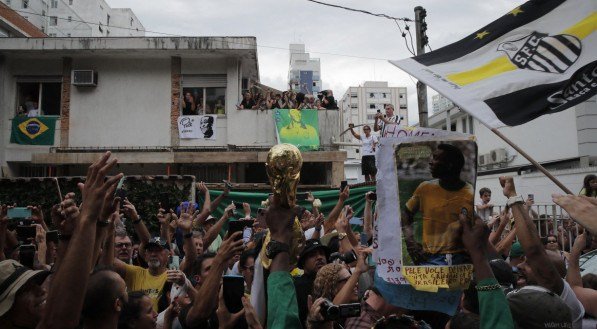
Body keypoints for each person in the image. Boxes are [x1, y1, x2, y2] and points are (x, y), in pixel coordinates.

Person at [500, 176, 584, 328]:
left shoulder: (565, 300)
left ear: (553, 274)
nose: (519, 266)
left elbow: (534, 251)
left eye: (529, 264)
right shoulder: (525, 292)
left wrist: (513, 196)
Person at [401, 143, 474, 265]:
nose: (430, 162)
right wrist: (411, 245)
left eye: (436, 158)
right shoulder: (425, 188)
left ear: (449, 165)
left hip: (460, 260)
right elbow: (405, 215)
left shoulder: (470, 193)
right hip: (429, 259)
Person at [113, 236, 170, 312]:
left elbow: (190, 259)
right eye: (150, 251)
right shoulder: (134, 273)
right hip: (134, 322)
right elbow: (110, 261)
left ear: (168, 255)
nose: (153, 254)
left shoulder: (173, 276)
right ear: (145, 255)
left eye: (158, 251)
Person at [294, 238, 330, 327]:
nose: (319, 257)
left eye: (322, 253)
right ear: (303, 262)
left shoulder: (332, 281)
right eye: (312, 255)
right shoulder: (298, 286)